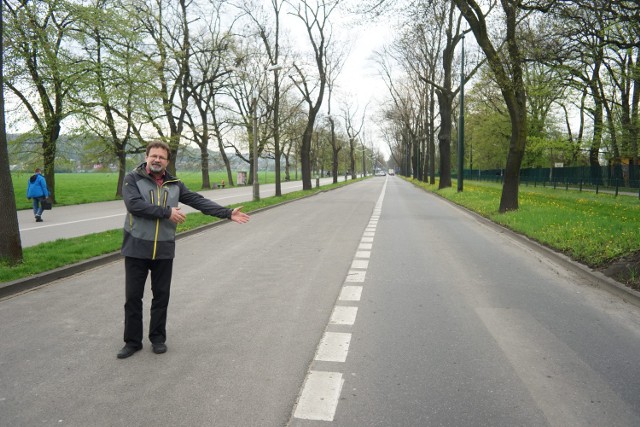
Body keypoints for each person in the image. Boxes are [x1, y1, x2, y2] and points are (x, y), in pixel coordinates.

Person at [117, 140, 250, 359]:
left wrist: (227, 213)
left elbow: (198, 201)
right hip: (136, 247)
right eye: (154, 156)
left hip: (164, 248)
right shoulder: (133, 179)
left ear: (167, 161)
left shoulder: (175, 184)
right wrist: (167, 212)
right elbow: (134, 205)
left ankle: (158, 338)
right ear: (146, 157)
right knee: (133, 297)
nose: (157, 160)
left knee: (161, 296)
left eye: (161, 157)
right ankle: (132, 342)